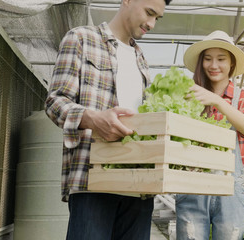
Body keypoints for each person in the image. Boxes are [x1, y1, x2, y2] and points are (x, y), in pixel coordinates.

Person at [44, 0, 172, 239]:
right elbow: (54, 102)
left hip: (139, 188)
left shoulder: (141, 59)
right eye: (149, 13)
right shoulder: (81, 39)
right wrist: (93, 119)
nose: (152, 24)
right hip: (93, 180)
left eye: (157, 18)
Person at [176, 30, 244, 240]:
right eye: (207, 59)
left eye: (221, 59)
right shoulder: (187, 98)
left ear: (231, 64)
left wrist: (217, 101)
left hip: (231, 190)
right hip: (192, 185)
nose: (213, 65)